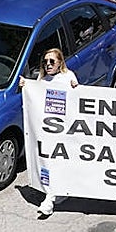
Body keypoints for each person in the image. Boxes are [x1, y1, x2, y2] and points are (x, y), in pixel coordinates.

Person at [32, 48, 78, 217]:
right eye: (45, 61)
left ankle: (51, 198)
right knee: (49, 162)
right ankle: (51, 196)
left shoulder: (68, 77)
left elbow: (77, 102)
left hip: (64, 129)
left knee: (59, 162)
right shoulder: (42, 78)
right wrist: (27, 86)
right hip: (46, 129)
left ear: (60, 62)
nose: (48, 64)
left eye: (52, 61)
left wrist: (76, 88)